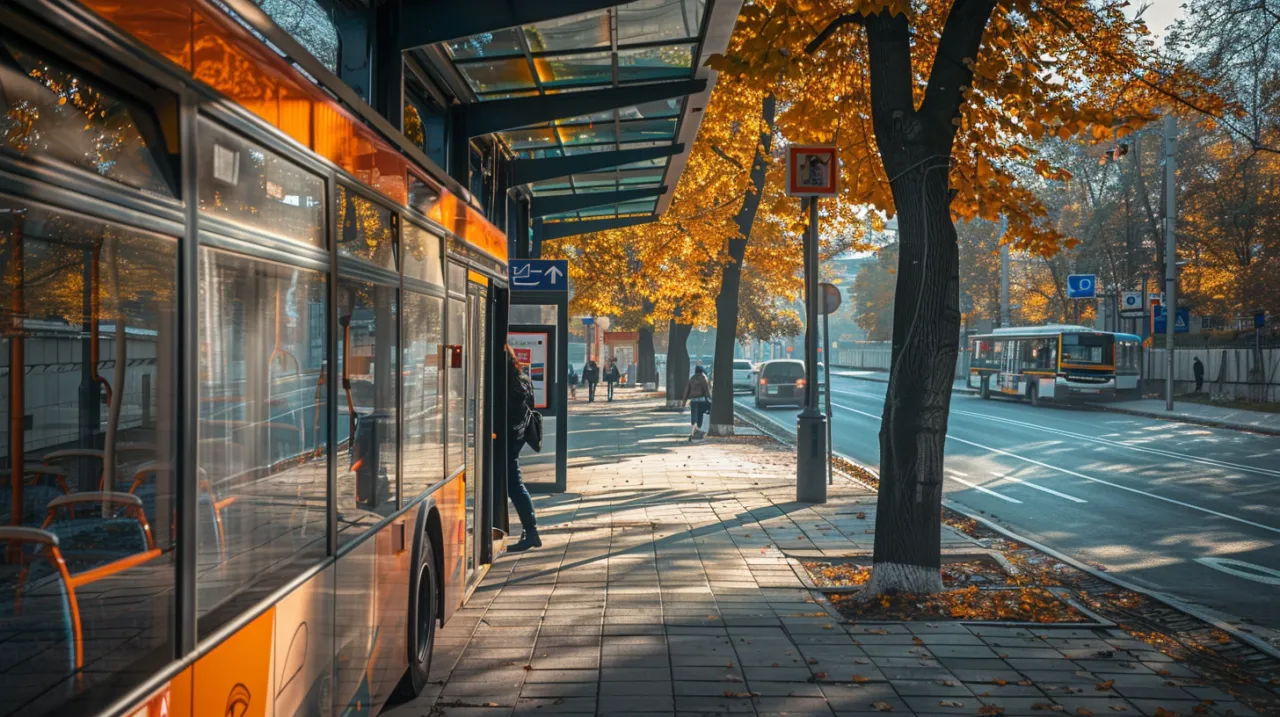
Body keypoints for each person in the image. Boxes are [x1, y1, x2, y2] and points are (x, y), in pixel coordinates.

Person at [505, 345, 540, 552]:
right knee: (514, 483)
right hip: (517, 437)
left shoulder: (503, 382)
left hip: (505, 438)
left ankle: (532, 533)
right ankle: (530, 532)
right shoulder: (523, 379)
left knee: (514, 485)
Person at [683, 364, 712, 439]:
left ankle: (694, 430)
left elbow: (686, 390)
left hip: (693, 401)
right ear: (702, 371)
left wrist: (684, 402)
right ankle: (697, 430)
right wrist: (711, 399)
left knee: (694, 416)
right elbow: (707, 391)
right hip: (702, 400)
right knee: (700, 415)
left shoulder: (691, 379)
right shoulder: (703, 379)